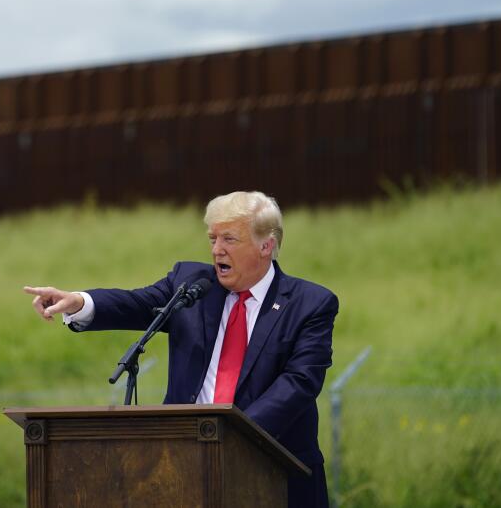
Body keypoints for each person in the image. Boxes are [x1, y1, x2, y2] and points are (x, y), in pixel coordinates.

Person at [23, 190, 337, 508]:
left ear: (265, 245)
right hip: (183, 469)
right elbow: (137, 304)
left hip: (275, 473)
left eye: (229, 239)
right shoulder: (191, 284)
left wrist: (230, 435)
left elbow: (299, 383)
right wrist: (79, 302)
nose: (216, 250)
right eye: (212, 238)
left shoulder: (310, 304)